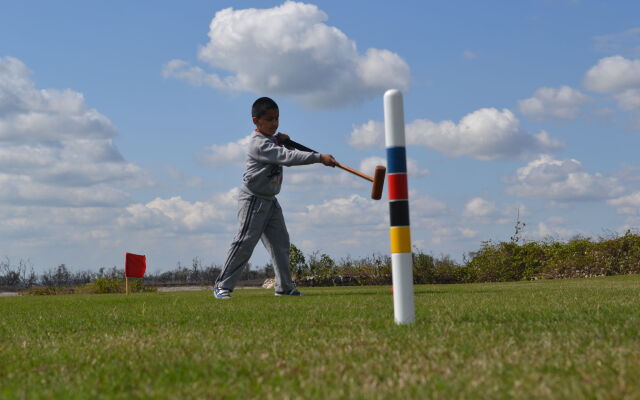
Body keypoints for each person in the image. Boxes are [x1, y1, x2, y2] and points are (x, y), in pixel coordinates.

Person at [213, 97, 337, 299]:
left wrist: (281, 140)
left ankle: (284, 287)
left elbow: (281, 150)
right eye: (269, 119)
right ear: (256, 121)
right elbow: (287, 157)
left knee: (281, 243)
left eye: (277, 118)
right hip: (253, 199)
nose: (275, 123)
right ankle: (222, 285)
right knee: (244, 242)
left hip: (270, 200)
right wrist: (318, 157)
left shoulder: (270, 141)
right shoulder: (258, 144)